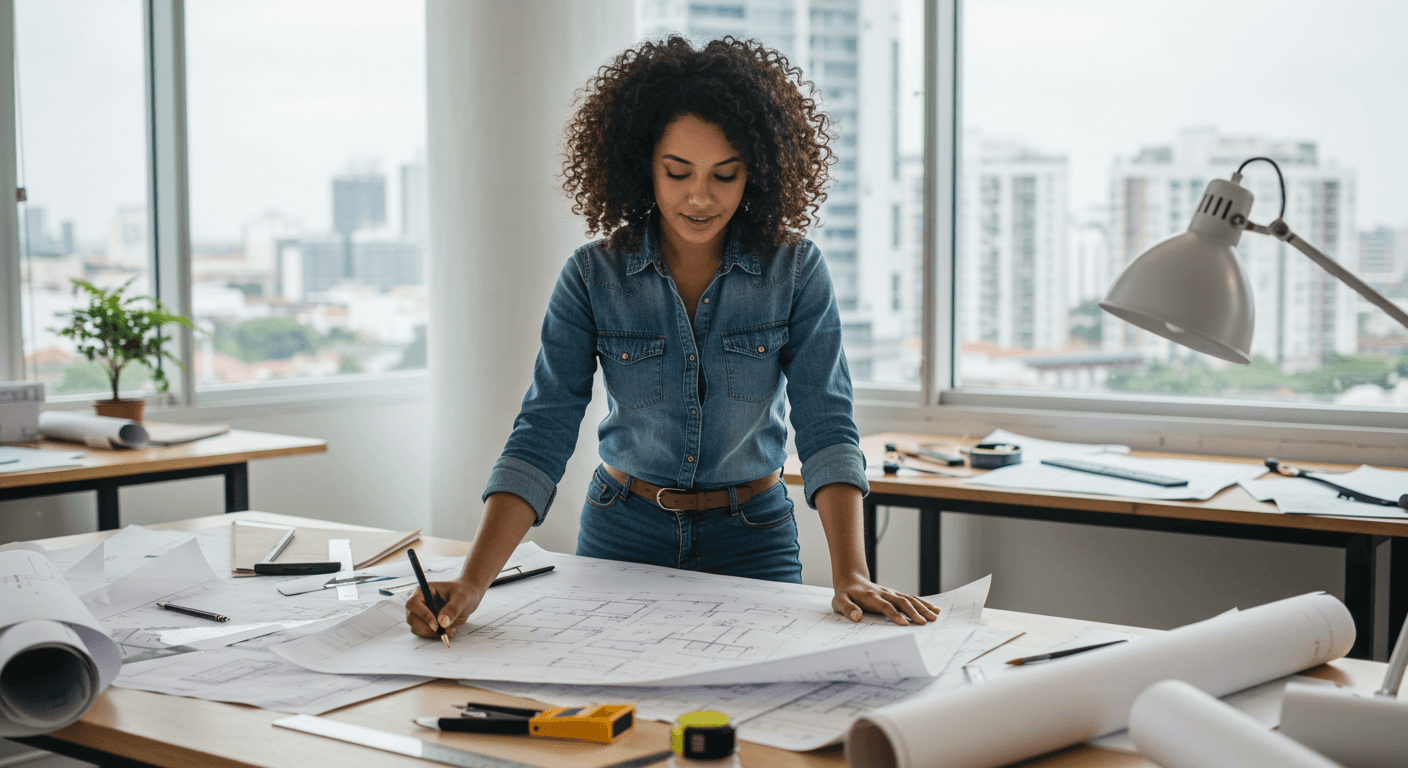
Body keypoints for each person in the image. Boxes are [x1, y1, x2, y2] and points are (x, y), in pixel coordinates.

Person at [407, 35, 939, 641]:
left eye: (725, 175)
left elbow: (827, 422)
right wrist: (473, 581)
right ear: (643, 166)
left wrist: (852, 573)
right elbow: (544, 431)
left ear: (756, 173)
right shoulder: (591, 276)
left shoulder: (795, 270)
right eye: (678, 171)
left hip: (753, 537)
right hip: (622, 532)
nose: (700, 196)